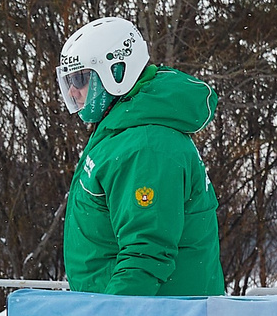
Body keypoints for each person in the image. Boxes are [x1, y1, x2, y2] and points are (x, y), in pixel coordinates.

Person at [56, 16, 225, 296]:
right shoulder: (123, 132)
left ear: (116, 72)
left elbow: (145, 255)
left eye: (81, 78)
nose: (73, 90)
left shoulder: (146, 147)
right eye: (70, 80)